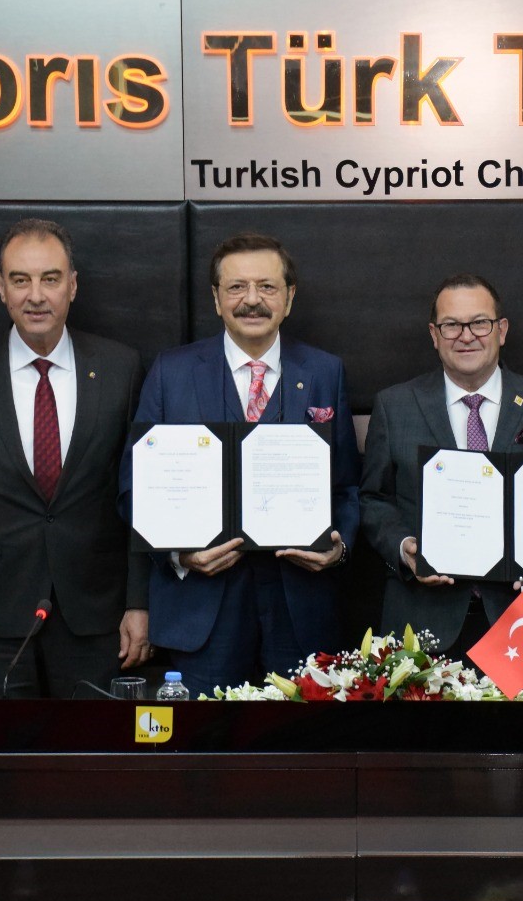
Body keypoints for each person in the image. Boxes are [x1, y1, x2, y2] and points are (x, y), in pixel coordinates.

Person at [0, 219, 149, 698]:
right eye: (20, 280)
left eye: (50, 278)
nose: (36, 296)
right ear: (1, 288)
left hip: (96, 615)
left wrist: (139, 602)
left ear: (73, 286)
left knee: (95, 746)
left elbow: (139, 497)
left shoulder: (120, 367)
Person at [125, 233, 359, 691]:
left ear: (289, 297)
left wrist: (339, 549)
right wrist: (179, 554)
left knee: (300, 736)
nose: (252, 300)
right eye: (236, 287)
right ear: (216, 299)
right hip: (202, 610)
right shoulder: (171, 373)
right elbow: (132, 488)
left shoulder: (324, 372)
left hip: (300, 608)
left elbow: (348, 485)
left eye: (267, 287)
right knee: (205, 735)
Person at [360, 274, 523, 653]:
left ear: (501, 330)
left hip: (517, 623)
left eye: (479, 323)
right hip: (420, 621)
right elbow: (374, 499)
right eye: (451, 325)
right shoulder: (394, 406)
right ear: (434, 334)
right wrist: (404, 547)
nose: (466, 336)